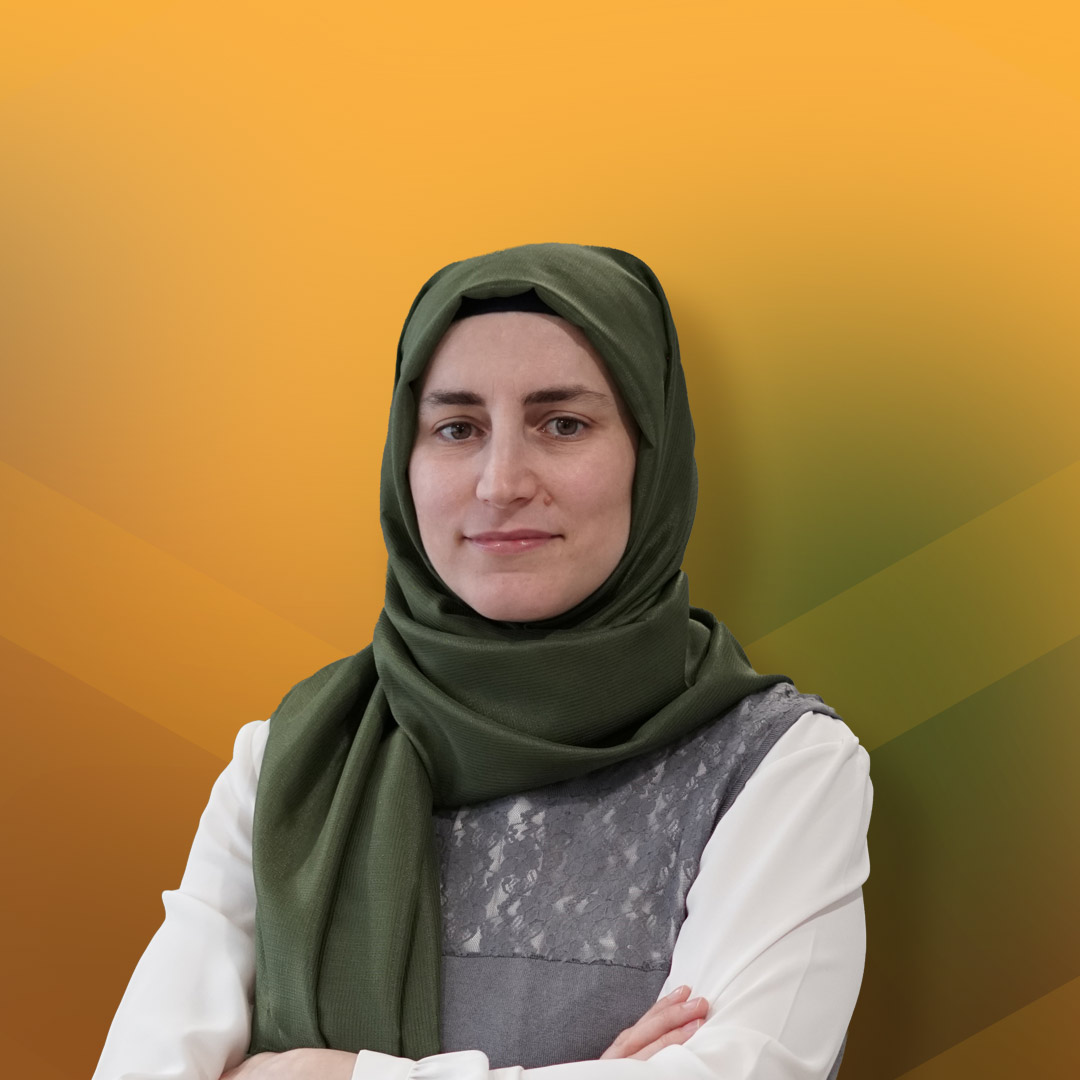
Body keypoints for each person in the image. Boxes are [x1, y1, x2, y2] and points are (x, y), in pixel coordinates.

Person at [93, 243, 872, 1080]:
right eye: (457, 428)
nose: (501, 483)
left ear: (652, 456)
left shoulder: (781, 767)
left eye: (563, 424)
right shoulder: (290, 762)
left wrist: (326, 1074)